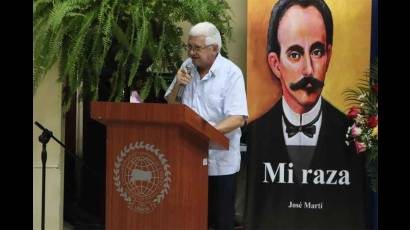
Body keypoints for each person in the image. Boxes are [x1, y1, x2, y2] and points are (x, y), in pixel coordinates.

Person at [245, 0, 368, 229]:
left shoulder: (354, 135)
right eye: (294, 54)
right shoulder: (254, 133)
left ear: (329, 55)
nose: (309, 69)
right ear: (275, 63)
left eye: (317, 51)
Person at [165, 22, 248, 230]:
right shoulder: (186, 67)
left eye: (197, 48)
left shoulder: (231, 74)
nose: (192, 53)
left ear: (214, 48)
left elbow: (238, 118)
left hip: (220, 163)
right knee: (191, 220)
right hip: (188, 160)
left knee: (220, 222)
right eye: (189, 47)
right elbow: (171, 104)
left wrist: (202, 133)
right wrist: (178, 84)